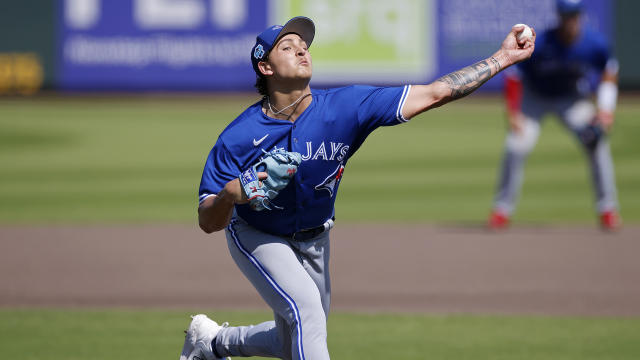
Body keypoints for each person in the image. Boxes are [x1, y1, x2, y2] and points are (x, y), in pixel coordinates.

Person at [182, 16, 535, 360]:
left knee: (295, 339)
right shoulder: (238, 136)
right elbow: (207, 220)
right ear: (266, 68)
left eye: (304, 46)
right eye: (288, 47)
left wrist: (503, 57)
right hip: (257, 233)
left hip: (316, 240)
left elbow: (434, 93)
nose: (302, 51)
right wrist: (230, 194)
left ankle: (212, 342)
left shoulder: (346, 106)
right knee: (306, 311)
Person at [487, 0, 621, 231]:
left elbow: (609, 70)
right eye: (566, 15)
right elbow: (514, 76)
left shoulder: (593, 43)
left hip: (571, 98)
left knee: (596, 142)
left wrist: (605, 110)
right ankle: (502, 209)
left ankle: (607, 208)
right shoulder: (543, 43)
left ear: (580, 15)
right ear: (559, 16)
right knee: (515, 146)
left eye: (574, 15)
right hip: (534, 97)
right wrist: (513, 113)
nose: (570, 20)